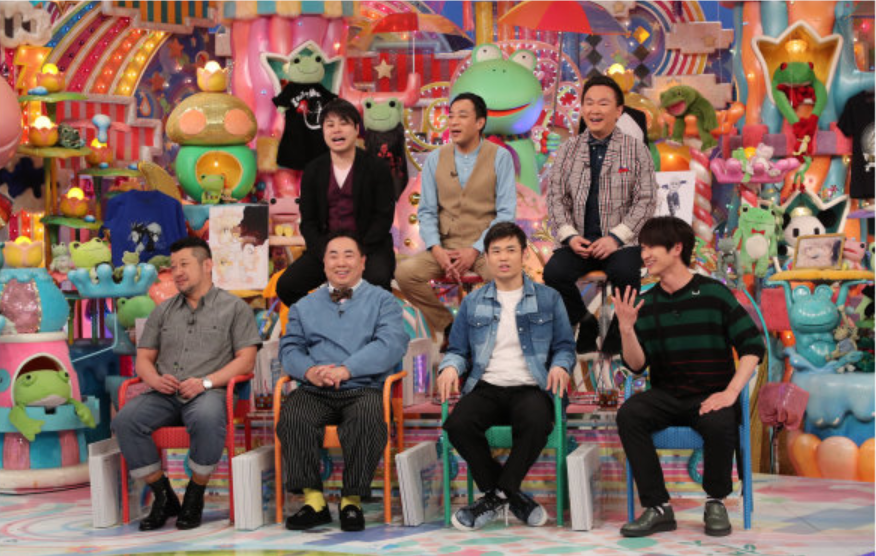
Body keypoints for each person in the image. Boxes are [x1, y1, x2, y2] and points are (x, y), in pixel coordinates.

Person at [613, 216, 765, 538]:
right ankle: (658, 507)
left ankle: (715, 502)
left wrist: (730, 392)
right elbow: (637, 366)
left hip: (711, 394)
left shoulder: (714, 294)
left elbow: (753, 346)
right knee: (629, 414)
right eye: (642, 248)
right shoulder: (646, 302)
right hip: (667, 395)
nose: (645, 254)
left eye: (652, 247)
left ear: (676, 248)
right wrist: (626, 329)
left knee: (720, 420)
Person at [112, 237, 261, 531]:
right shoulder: (162, 311)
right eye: (173, 266)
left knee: (206, 416)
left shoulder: (234, 308)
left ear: (207, 265)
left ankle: (195, 493)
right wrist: (155, 379)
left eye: (184, 264)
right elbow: (143, 359)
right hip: (165, 393)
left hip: (210, 391)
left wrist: (206, 382)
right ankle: (163, 495)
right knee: (126, 420)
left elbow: (246, 361)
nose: (177, 272)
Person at [436, 222, 576, 532]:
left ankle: (495, 496)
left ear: (524, 254)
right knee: (457, 424)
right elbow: (457, 350)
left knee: (537, 422)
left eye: (511, 250)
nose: (503, 257)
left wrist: (561, 366)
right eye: (496, 251)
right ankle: (510, 496)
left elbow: (565, 347)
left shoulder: (549, 298)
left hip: (532, 387)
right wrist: (450, 367)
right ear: (486, 257)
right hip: (486, 386)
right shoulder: (473, 301)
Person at [276, 231, 410, 532]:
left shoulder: (384, 301)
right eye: (333, 256)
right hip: (316, 389)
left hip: (364, 387)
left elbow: (391, 344)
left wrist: (348, 369)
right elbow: (290, 348)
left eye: (349, 255)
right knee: (293, 414)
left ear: (362, 262)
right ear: (323, 264)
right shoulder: (303, 306)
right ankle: (314, 502)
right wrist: (309, 371)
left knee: (368, 416)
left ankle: (351, 501)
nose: (341, 262)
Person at [544, 74, 657, 355]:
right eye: (589, 103)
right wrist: (570, 237)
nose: (595, 110)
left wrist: (616, 238)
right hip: (579, 241)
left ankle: (620, 331)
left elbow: (646, 200)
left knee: (626, 272)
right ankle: (585, 322)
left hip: (621, 242)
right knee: (553, 273)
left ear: (618, 111)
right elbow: (556, 198)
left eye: (603, 103)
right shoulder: (568, 149)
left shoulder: (636, 149)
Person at [395, 92, 516, 350]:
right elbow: (427, 211)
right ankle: (450, 326)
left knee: (506, 278)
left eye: (462, 116)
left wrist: (475, 250)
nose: (454, 122)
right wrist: (436, 249)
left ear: (480, 122)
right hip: (446, 246)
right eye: (451, 116)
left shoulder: (500, 157)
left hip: (486, 246)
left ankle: (484, 334)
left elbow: (506, 213)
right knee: (405, 273)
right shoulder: (436, 158)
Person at [275, 98, 397, 307]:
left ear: (356, 129)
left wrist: (357, 251)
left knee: (377, 285)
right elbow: (309, 222)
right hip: (326, 248)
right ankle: (324, 321)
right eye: (330, 125)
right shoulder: (313, 170)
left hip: (369, 248)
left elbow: (383, 218)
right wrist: (326, 253)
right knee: (287, 286)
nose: (336, 130)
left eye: (343, 123)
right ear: (323, 131)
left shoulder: (377, 168)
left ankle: (363, 326)